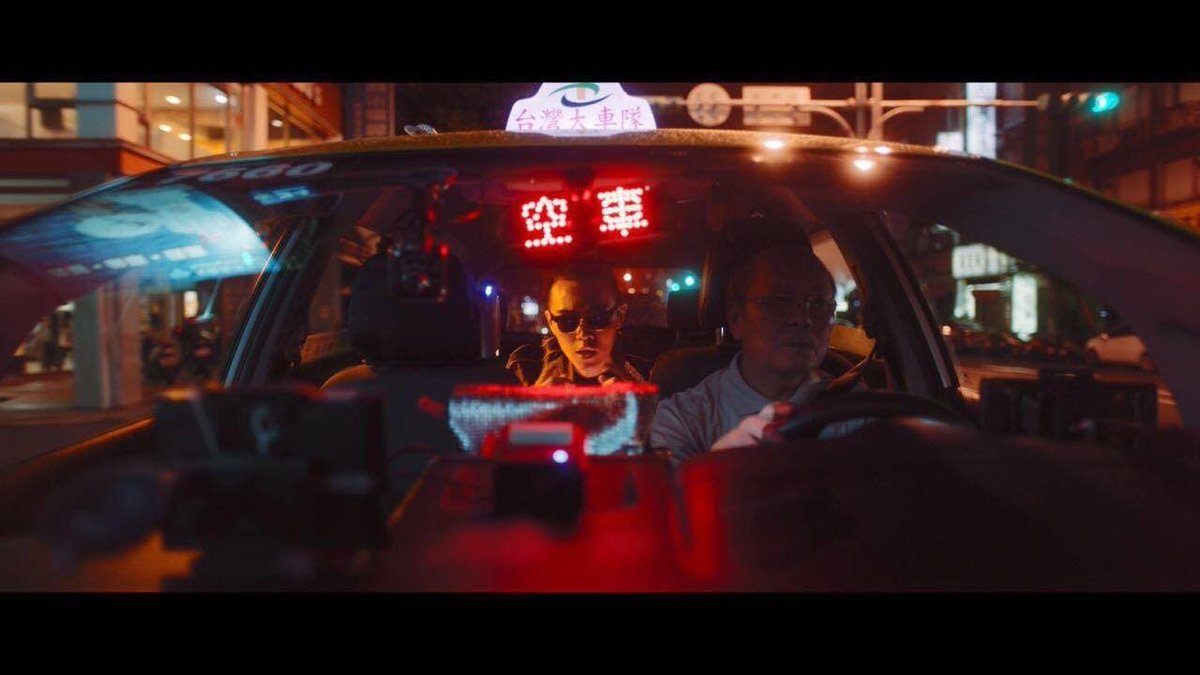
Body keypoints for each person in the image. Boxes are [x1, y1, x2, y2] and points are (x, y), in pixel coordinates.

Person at [650, 242, 864, 460]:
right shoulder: (684, 419)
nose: (803, 318)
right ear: (736, 319)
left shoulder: (856, 407)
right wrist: (718, 469)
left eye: (818, 303)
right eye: (779, 301)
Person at [507, 260, 647, 386]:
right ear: (550, 322)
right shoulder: (526, 366)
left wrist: (643, 401)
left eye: (597, 319)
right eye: (567, 321)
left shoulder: (648, 364)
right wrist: (533, 403)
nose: (583, 334)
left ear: (619, 316)